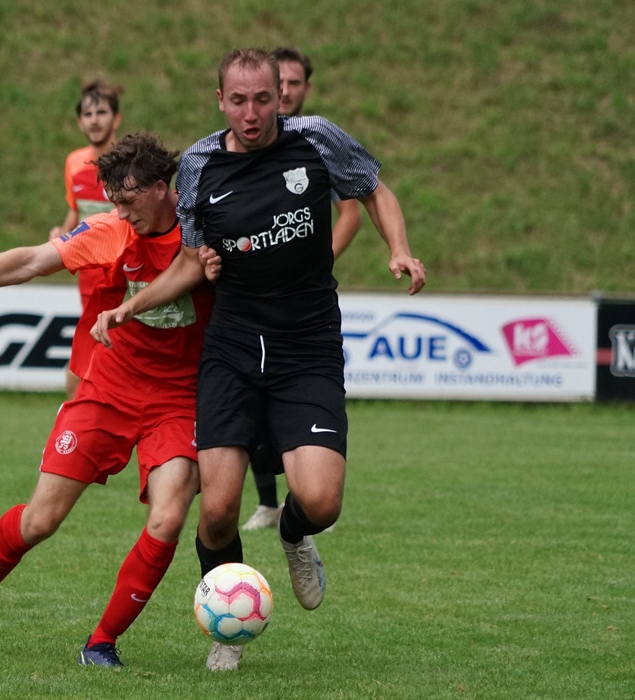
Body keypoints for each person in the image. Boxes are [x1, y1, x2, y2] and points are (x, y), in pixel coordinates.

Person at [92, 48, 426, 671]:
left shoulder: (316, 140)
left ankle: (293, 534)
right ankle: (228, 628)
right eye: (239, 101)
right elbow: (191, 261)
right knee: (217, 510)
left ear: (282, 97)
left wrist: (399, 249)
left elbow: (374, 190)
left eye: (263, 99)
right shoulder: (198, 164)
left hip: (308, 344)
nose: (252, 113)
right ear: (220, 100)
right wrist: (131, 306)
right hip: (234, 346)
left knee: (321, 501)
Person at [0, 132, 213, 668]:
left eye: (129, 200)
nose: (120, 212)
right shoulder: (111, 230)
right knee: (40, 521)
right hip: (109, 388)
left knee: (168, 519)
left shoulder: (204, 227)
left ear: (162, 188)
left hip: (180, 399)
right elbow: (29, 261)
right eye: (114, 202)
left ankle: (101, 642)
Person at [241, 47, 363, 532]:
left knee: (300, 400)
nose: (287, 91)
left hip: (305, 307)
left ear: (305, 88)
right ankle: (267, 503)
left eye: (294, 83)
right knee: (249, 406)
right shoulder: (239, 142)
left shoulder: (315, 144)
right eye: (281, 83)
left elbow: (352, 211)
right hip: (249, 304)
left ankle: (303, 503)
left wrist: (313, 262)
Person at [48, 80, 124, 399]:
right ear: (80, 122)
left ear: (116, 119)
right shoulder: (74, 163)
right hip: (91, 279)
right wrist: (60, 236)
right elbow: (76, 210)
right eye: (88, 114)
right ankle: (69, 418)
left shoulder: (130, 163)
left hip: (128, 275)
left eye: (101, 112)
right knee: (84, 354)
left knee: (124, 355)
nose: (94, 120)